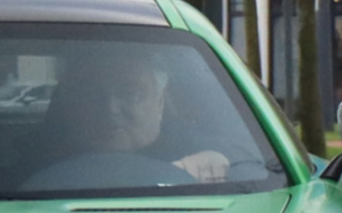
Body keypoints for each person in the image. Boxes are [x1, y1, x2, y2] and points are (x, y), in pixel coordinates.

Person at [37, 45, 229, 183]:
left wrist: (216, 158)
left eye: (130, 94)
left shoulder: (192, 145)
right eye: (92, 95)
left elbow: (250, 159)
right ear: (71, 104)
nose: (110, 108)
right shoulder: (34, 159)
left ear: (159, 103)